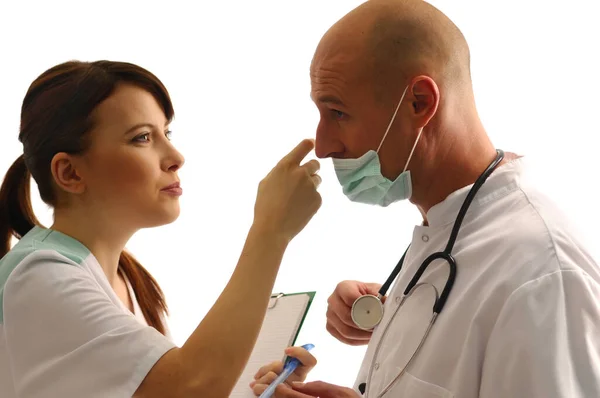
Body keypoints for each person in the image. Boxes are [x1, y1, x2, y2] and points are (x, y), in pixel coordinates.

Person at [250, 0, 600, 397]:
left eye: (338, 113)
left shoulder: (543, 275)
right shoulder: (447, 228)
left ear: (420, 102)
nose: (325, 146)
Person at [0, 60, 323, 398]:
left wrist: (258, 391)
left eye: (166, 133)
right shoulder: (39, 276)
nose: (175, 156)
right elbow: (192, 387)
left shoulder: (128, 279)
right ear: (70, 173)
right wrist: (270, 231)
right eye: (141, 138)